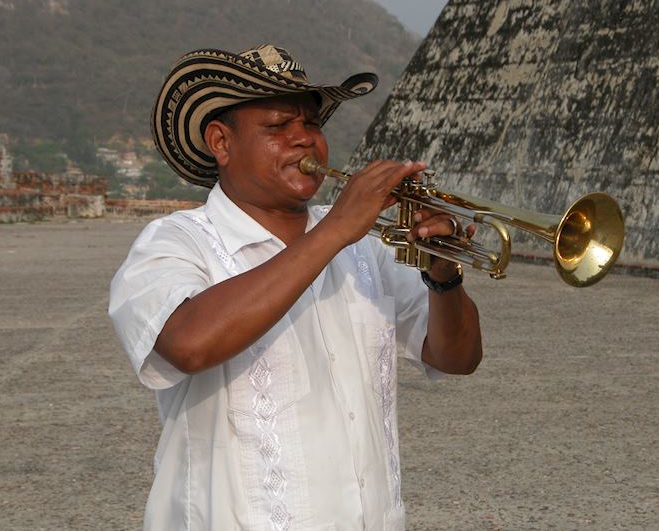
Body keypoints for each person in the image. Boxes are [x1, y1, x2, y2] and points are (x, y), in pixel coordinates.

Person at [109, 44, 482, 531]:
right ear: (220, 142)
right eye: (277, 127)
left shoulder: (363, 244)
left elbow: (456, 358)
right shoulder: (174, 243)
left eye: (311, 125)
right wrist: (334, 231)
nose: (304, 140)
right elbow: (188, 344)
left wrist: (443, 275)